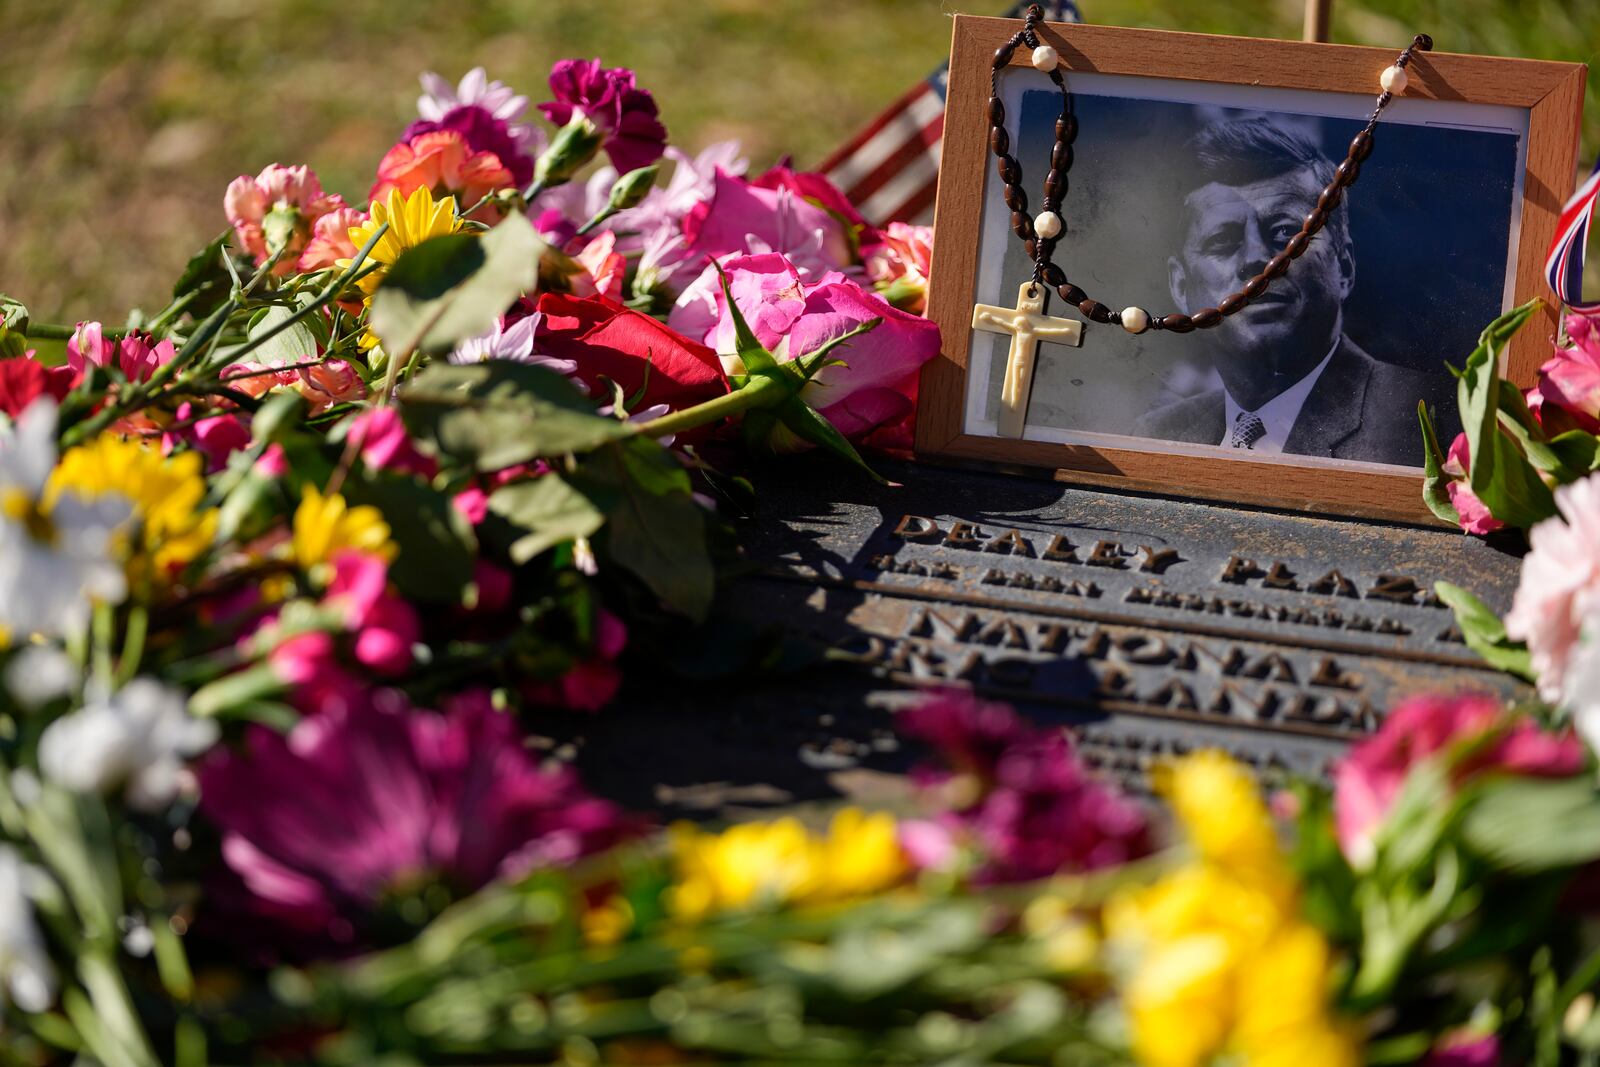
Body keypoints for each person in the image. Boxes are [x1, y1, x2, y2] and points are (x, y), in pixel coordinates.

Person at [1135, 116, 1442, 465]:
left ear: (1344, 267)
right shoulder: (1157, 433)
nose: (1258, 259)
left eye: (1285, 233)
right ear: (1180, 285)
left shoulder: (1430, 418)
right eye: (1222, 240)